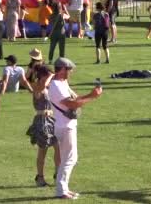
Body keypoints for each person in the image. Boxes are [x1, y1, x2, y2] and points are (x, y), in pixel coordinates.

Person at [48, 58, 103, 200]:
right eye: (69, 69)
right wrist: (92, 96)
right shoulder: (56, 86)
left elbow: (76, 99)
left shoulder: (62, 82)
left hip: (66, 125)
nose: (71, 72)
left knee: (69, 158)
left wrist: (91, 95)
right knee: (70, 159)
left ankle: (64, 189)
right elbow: (72, 104)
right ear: (62, 70)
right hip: (65, 126)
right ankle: (61, 190)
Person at [26, 65, 60, 187]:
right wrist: (52, 75)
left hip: (53, 120)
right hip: (42, 121)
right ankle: (40, 177)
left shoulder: (50, 87)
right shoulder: (37, 87)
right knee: (43, 150)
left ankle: (58, 174)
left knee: (58, 147)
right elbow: (43, 85)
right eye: (49, 75)